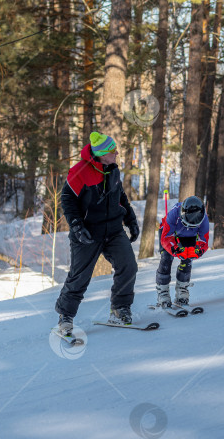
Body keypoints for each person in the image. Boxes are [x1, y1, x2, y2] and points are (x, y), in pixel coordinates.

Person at [55, 132, 140, 333]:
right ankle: (65, 317)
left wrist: (131, 220)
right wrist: (77, 226)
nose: (117, 153)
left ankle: (120, 309)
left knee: (128, 266)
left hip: (113, 229)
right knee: (80, 276)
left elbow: (121, 196)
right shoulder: (79, 172)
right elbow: (67, 200)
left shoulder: (112, 170)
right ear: (101, 155)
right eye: (112, 151)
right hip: (87, 232)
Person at [156, 196, 209, 307]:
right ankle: (163, 292)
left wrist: (199, 250)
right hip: (170, 234)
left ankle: (182, 290)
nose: (191, 223)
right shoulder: (173, 214)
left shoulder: (204, 219)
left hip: (190, 236)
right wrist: (174, 249)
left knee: (188, 259)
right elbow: (166, 238)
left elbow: (204, 240)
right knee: (167, 258)